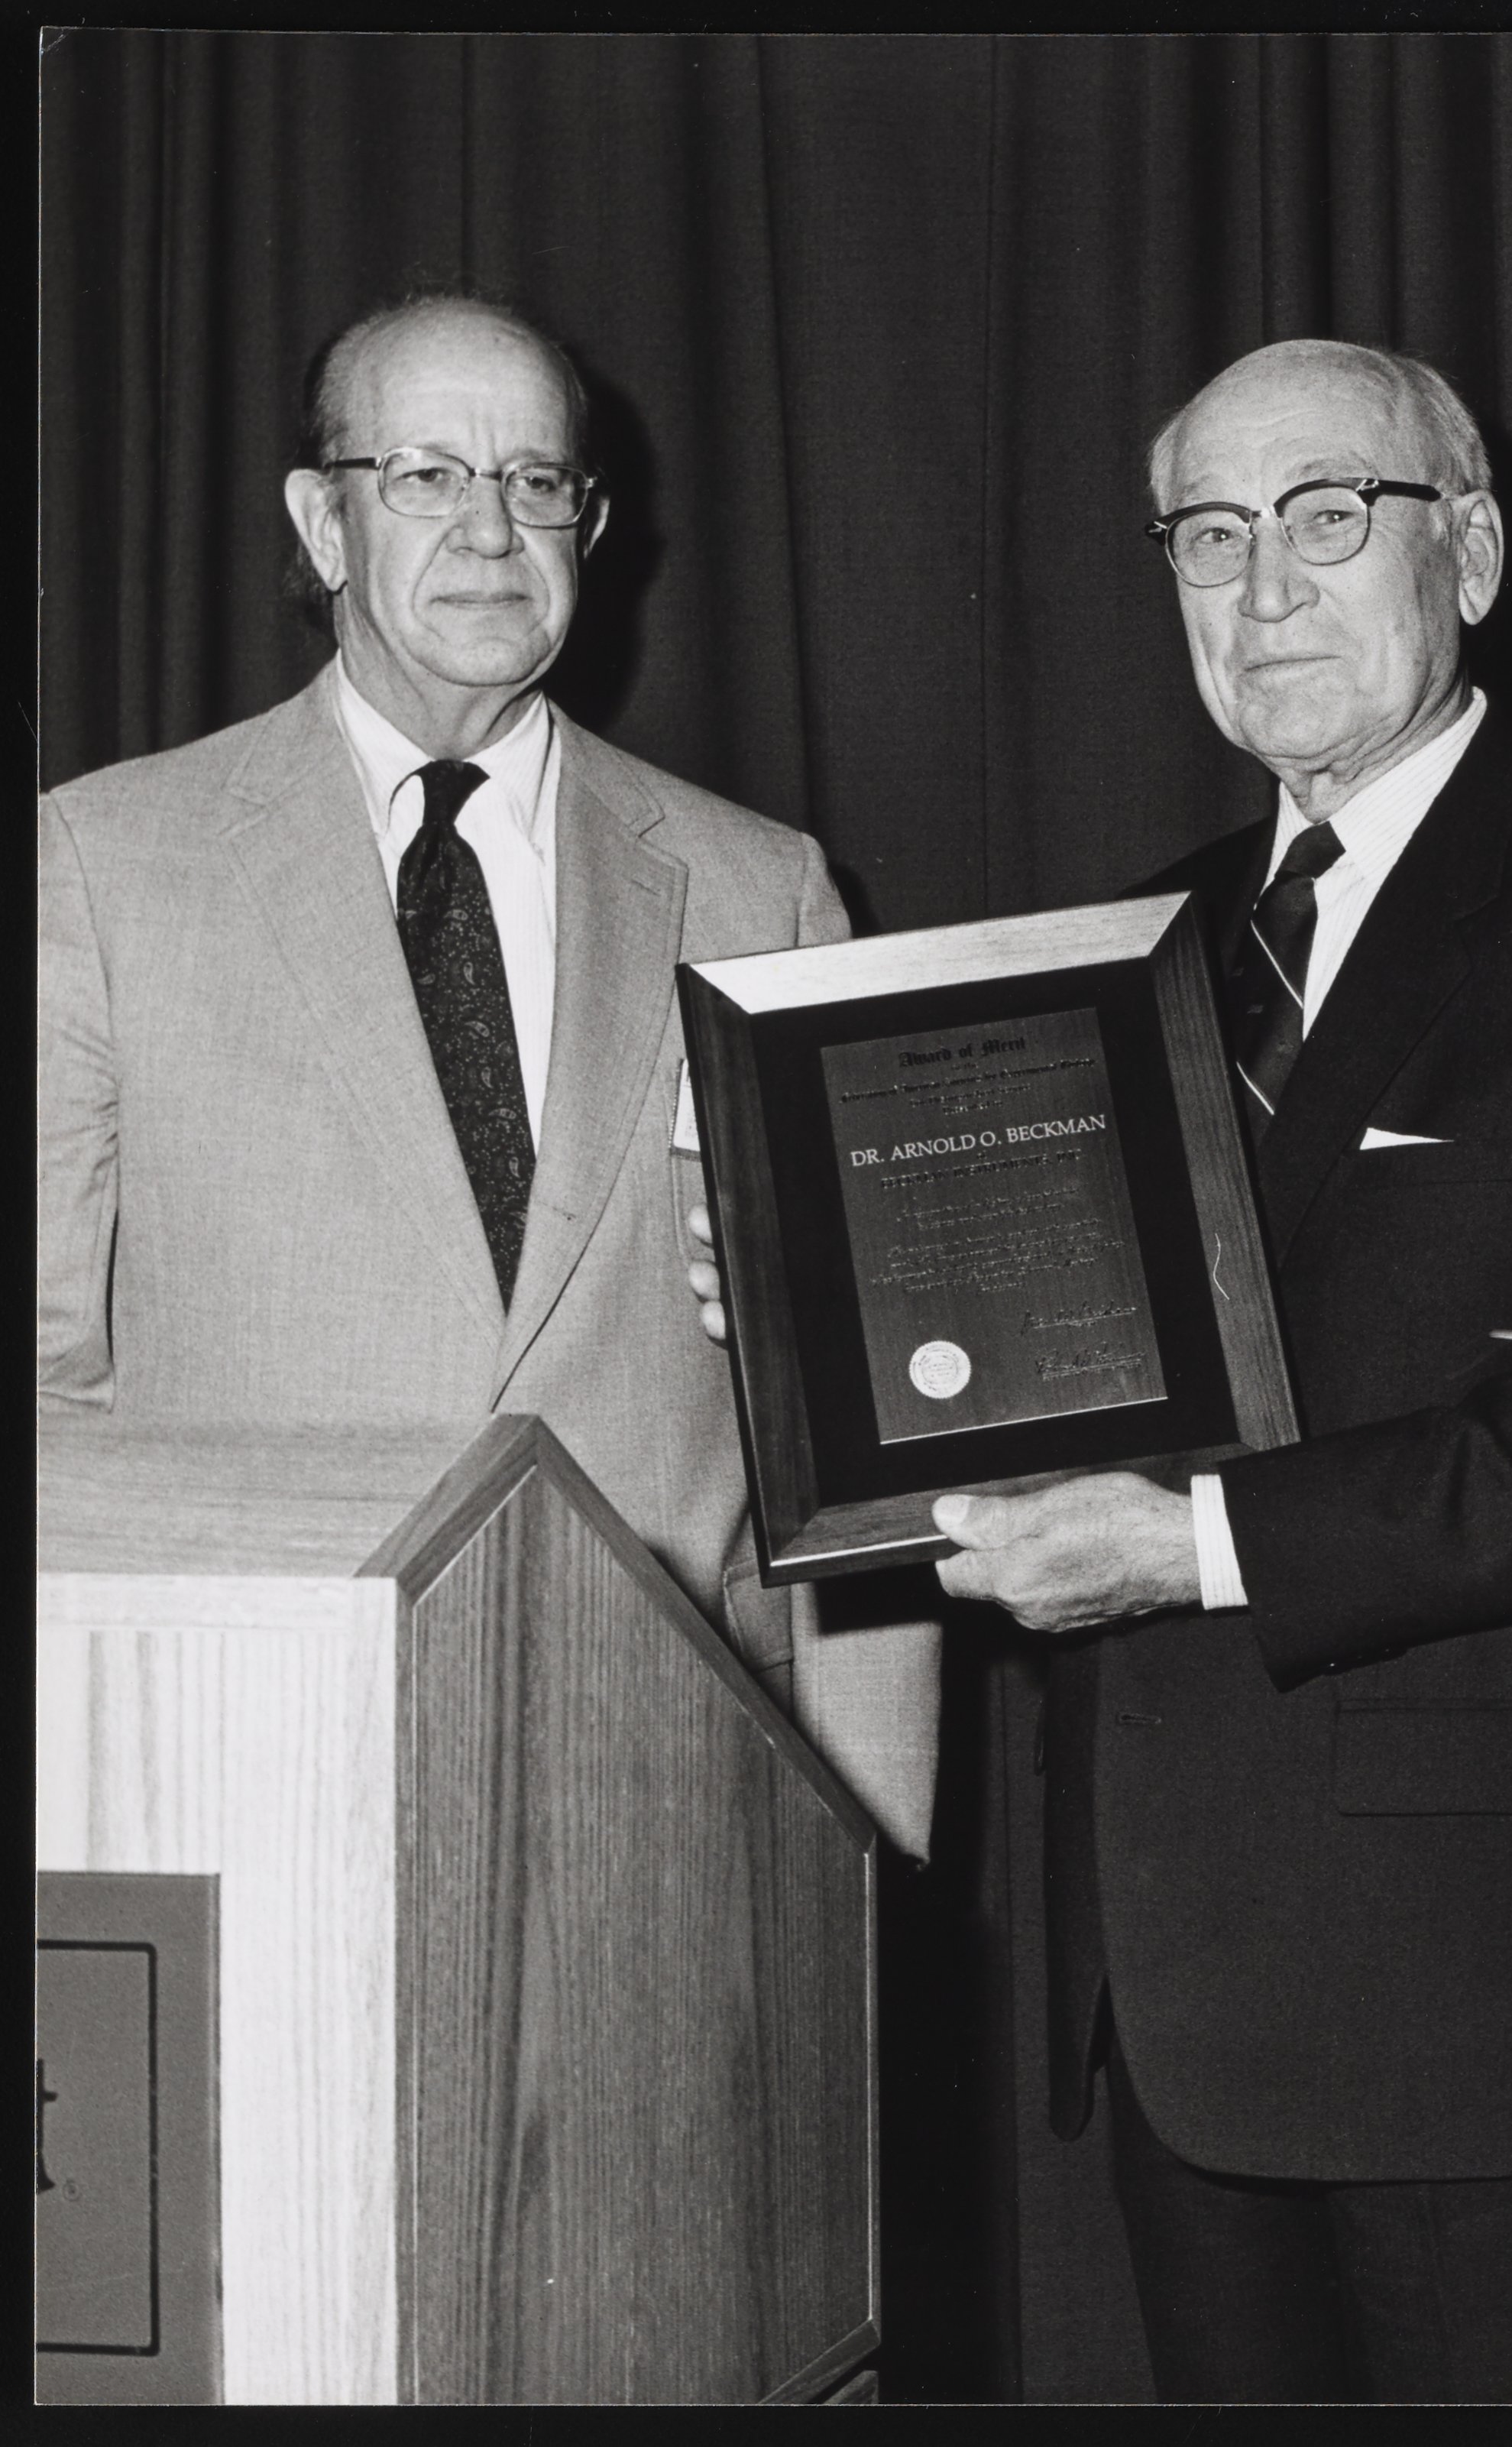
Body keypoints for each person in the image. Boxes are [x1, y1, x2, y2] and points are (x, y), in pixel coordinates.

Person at [927, 340, 1512, 2399]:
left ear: (1469, 555)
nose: (1263, 591)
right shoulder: (1130, 949)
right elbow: (1056, 1393)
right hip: (1184, 1996)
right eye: (1207, 537)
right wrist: (827, 1330)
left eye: (1327, 518)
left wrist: (1194, 1545)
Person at [37, 290, 936, 1856]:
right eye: (426, 475)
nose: (490, 528)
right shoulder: (104, 864)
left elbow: (849, 1452)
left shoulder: (760, 890)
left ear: (590, 525)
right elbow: (45, 1387)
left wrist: (868, 1856)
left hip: (675, 1801)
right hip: (237, 1783)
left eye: (536, 480)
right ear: (321, 523)